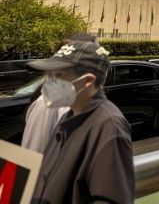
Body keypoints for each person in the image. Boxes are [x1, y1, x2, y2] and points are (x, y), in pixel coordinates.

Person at [27, 34, 134, 204]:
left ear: (87, 81)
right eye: (50, 75)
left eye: (59, 75)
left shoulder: (109, 125)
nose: (50, 83)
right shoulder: (69, 116)